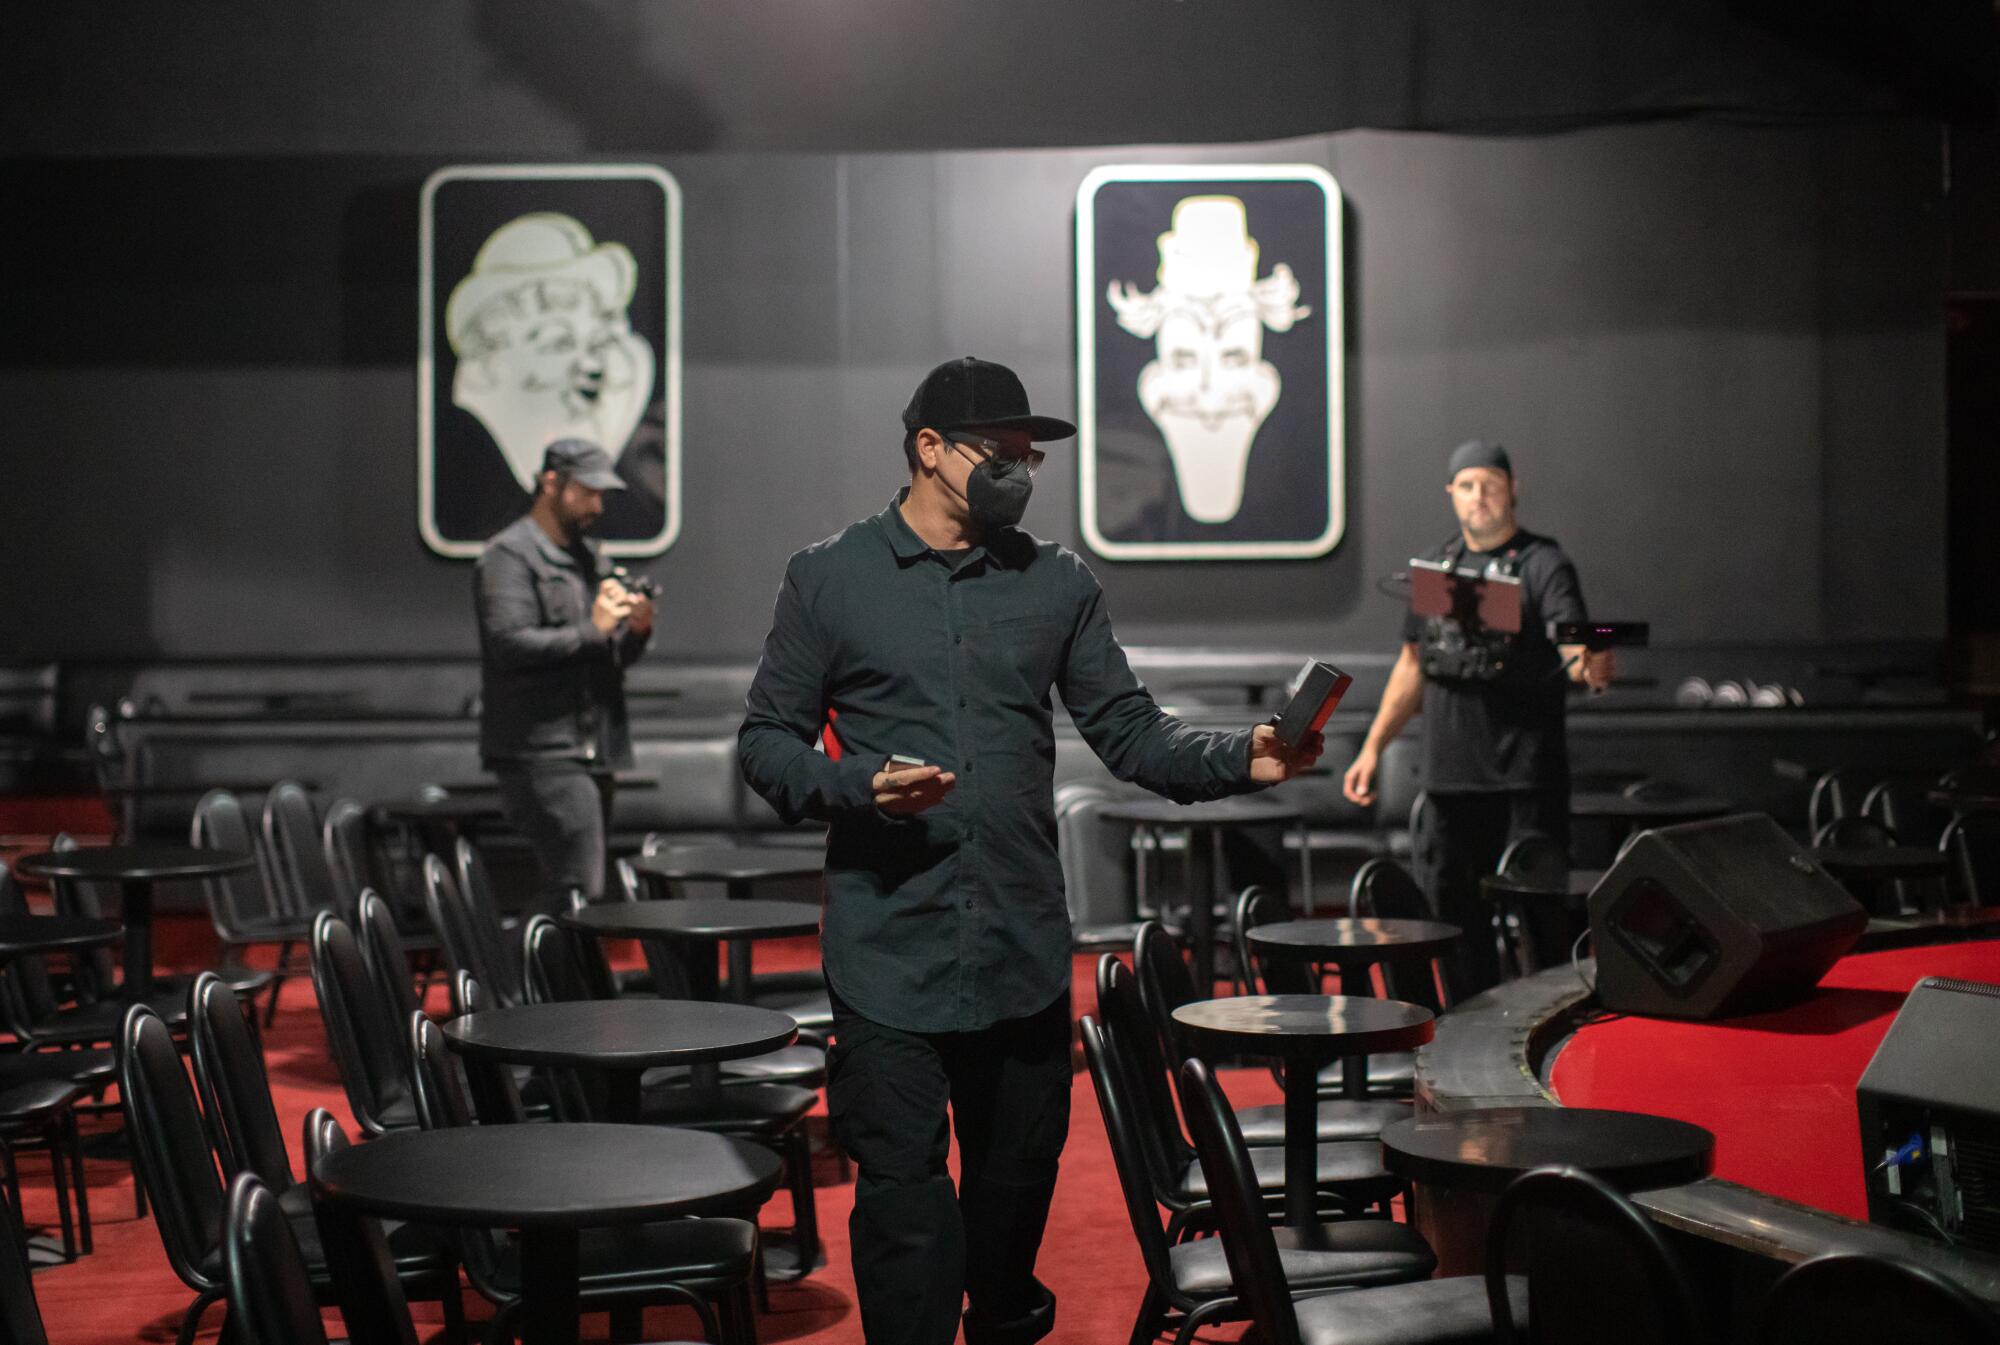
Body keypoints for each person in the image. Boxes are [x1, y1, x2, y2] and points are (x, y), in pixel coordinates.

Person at [738, 356, 1323, 1345]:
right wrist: (855, 785)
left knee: (1011, 1205)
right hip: (887, 952)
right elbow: (765, 742)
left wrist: (1245, 758)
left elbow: (1132, 733)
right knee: (905, 1208)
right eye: (998, 452)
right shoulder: (828, 577)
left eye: (1027, 455)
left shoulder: (1057, 583)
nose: (1018, 468)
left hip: (1016, 951)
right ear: (928, 450)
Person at [1341, 438, 1613, 993]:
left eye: (1490, 483)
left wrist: (1592, 659)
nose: (1479, 496)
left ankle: (1554, 1049)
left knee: (1542, 928)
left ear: (1513, 489)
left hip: (1524, 783)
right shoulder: (1442, 570)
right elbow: (1412, 667)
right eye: (1467, 485)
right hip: (1450, 783)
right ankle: (1468, 1051)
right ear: (1452, 494)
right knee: (1459, 930)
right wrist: (1372, 747)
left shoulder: (1544, 564)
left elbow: (1576, 639)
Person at [474, 438, 654, 909]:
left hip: (594, 747)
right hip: (542, 751)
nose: (597, 504)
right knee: (578, 888)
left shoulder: (588, 557)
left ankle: (546, 980)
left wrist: (635, 629)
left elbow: (610, 657)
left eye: (601, 493)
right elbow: (508, 644)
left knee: (579, 890)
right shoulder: (508, 556)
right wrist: (594, 629)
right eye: (586, 491)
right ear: (549, 483)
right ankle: (508, 977)